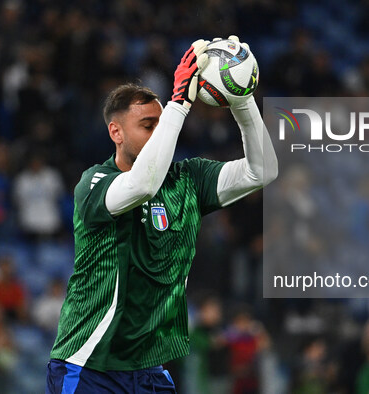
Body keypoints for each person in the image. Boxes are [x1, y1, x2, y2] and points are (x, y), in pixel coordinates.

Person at [46, 36, 278, 393]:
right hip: (90, 365)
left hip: (150, 371)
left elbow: (261, 172)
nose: (159, 132)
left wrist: (241, 98)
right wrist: (178, 105)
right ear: (116, 133)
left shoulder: (188, 180)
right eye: (147, 125)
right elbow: (142, 185)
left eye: (162, 122)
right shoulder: (94, 183)